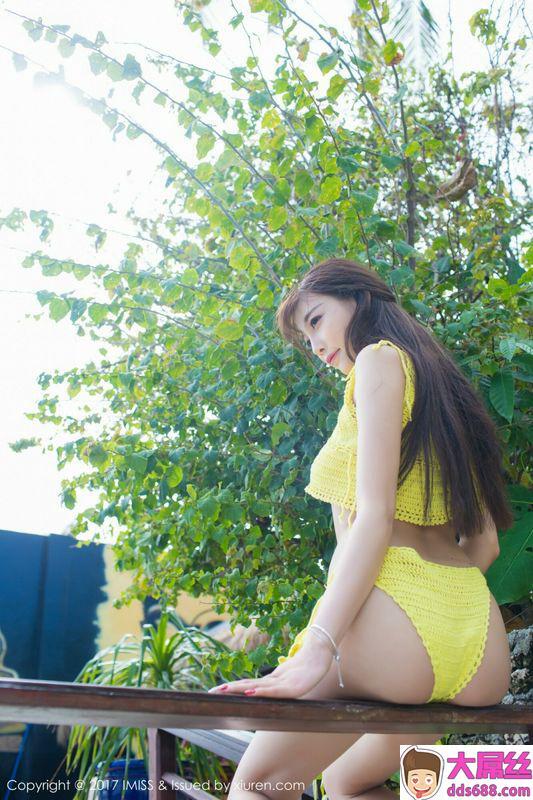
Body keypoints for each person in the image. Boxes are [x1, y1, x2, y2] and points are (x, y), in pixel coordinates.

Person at [208, 259, 514, 800]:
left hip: (395, 633)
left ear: (358, 298)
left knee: (258, 786)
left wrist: (319, 646)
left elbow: (374, 517)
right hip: (478, 644)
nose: (316, 345)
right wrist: (439, 617)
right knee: (348, 782)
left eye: (317, 320)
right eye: (306, 338)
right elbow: (484, 544)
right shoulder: (447, 388)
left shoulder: (377, 360)